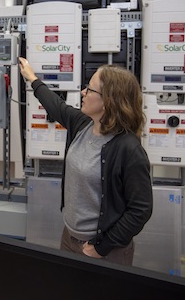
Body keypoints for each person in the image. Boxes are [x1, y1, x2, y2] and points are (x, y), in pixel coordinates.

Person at [19, 57, 153, 265]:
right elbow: (55, 106)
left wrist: (102, 247)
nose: (83, 93)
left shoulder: (128, 148)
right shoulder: (83, 125)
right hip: (69, 238)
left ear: (108, 101)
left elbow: (140, 209)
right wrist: (32, 78)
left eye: (90, 90)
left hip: (104, 249)